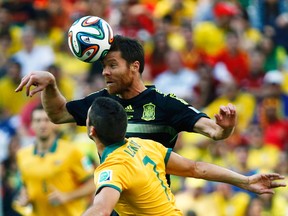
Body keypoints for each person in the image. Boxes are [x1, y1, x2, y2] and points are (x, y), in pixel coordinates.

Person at [15, 35, 236, 188]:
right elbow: (58, 114)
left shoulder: (165, 104)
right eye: (103, 66)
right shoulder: (102, 102)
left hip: (153, 205)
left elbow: (215, 132)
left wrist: (225, 128)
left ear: (135, 66)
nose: (105, 72)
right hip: (115, 204)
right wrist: (51, 85)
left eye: (112, 65)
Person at [82, 97, 286, 216]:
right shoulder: (144, 145)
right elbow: (196, 168)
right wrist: (245, 181)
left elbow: (101, 210)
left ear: (92, 131)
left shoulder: (112, 168)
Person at [14, 104, 95, 216]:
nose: (42, 125)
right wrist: (24, 198)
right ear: (31, 125)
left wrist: (67, 196)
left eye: (46, 120)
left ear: (56, 124)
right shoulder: (22, 155)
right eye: (38, 120)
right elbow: (25, 185)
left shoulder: (72, 152)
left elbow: (93, 184)